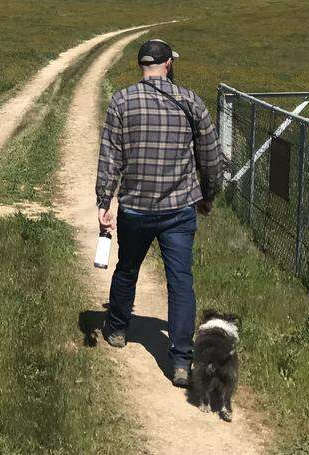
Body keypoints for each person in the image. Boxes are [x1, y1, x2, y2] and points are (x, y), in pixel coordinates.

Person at [95, 39, 221, 389]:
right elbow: (210, 156)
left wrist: (104, 202)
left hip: (135, 206)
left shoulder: (122, 100)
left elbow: (110, 157)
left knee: (128, 267)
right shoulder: (190, 100)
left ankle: (118, 328)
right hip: (179, 208)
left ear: (143, 66)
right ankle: (181, 359)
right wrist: (207, 195)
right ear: (167, 64)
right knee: (180, 281)